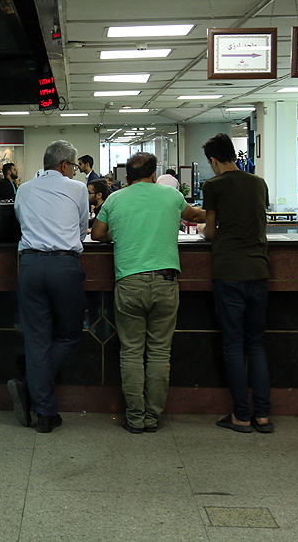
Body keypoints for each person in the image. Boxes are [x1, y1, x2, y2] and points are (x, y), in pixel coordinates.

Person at [91, 152, 206, 433]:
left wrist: (116, 233)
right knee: (159, 353)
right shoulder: (171, 196)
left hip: (129, 283)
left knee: (131, 353)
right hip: (166, 283)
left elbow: (97, 234)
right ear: (154, 175)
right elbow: (195, 215)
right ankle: (153, 418)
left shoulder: (116, 199)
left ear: (126, 178)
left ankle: (135, 417)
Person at [7, 141, 88, 433]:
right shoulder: (78, 189)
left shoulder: (24, 189)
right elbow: (82, 229)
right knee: (68, 333)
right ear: (65, 165)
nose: (75, 171)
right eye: (75, 166)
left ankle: (45, 414)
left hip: (29, 267)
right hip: (64, 267)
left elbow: (20, 221)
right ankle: (32, 388)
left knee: (36, 340)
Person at [201, 133, 273, 434]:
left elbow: (210, 230)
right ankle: (263, 417)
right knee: (256, 344)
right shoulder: (258, 183)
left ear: (214, 161)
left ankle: (241, 416)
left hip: (229, 271)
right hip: (259, 270)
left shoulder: (213, 185)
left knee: (233, 345)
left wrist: (207, 231)